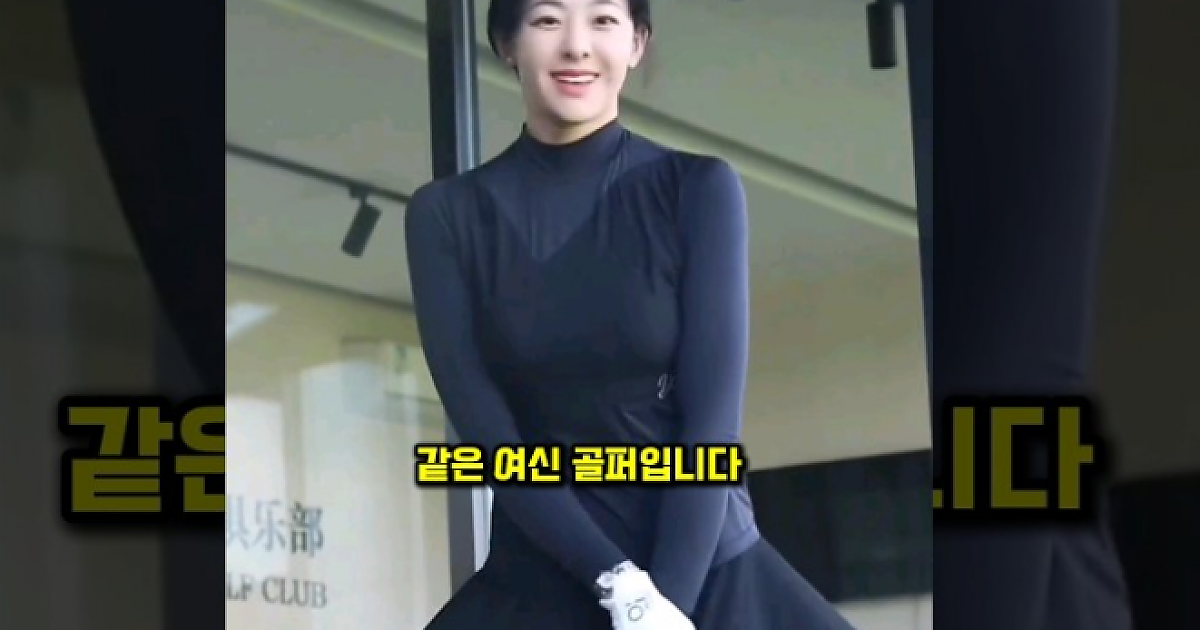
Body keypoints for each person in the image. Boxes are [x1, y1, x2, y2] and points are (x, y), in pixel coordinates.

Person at [404, 0, 856, 628]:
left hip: (708, 569)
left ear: (637, 43)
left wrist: (667, 606)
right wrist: (622, 589)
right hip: (541, 580)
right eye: (547, 20)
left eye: (604, 20)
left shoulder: (696, 188)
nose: (576, 45)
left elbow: (712, 422)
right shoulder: (446, 215)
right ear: (506, 43)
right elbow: (487, 430)